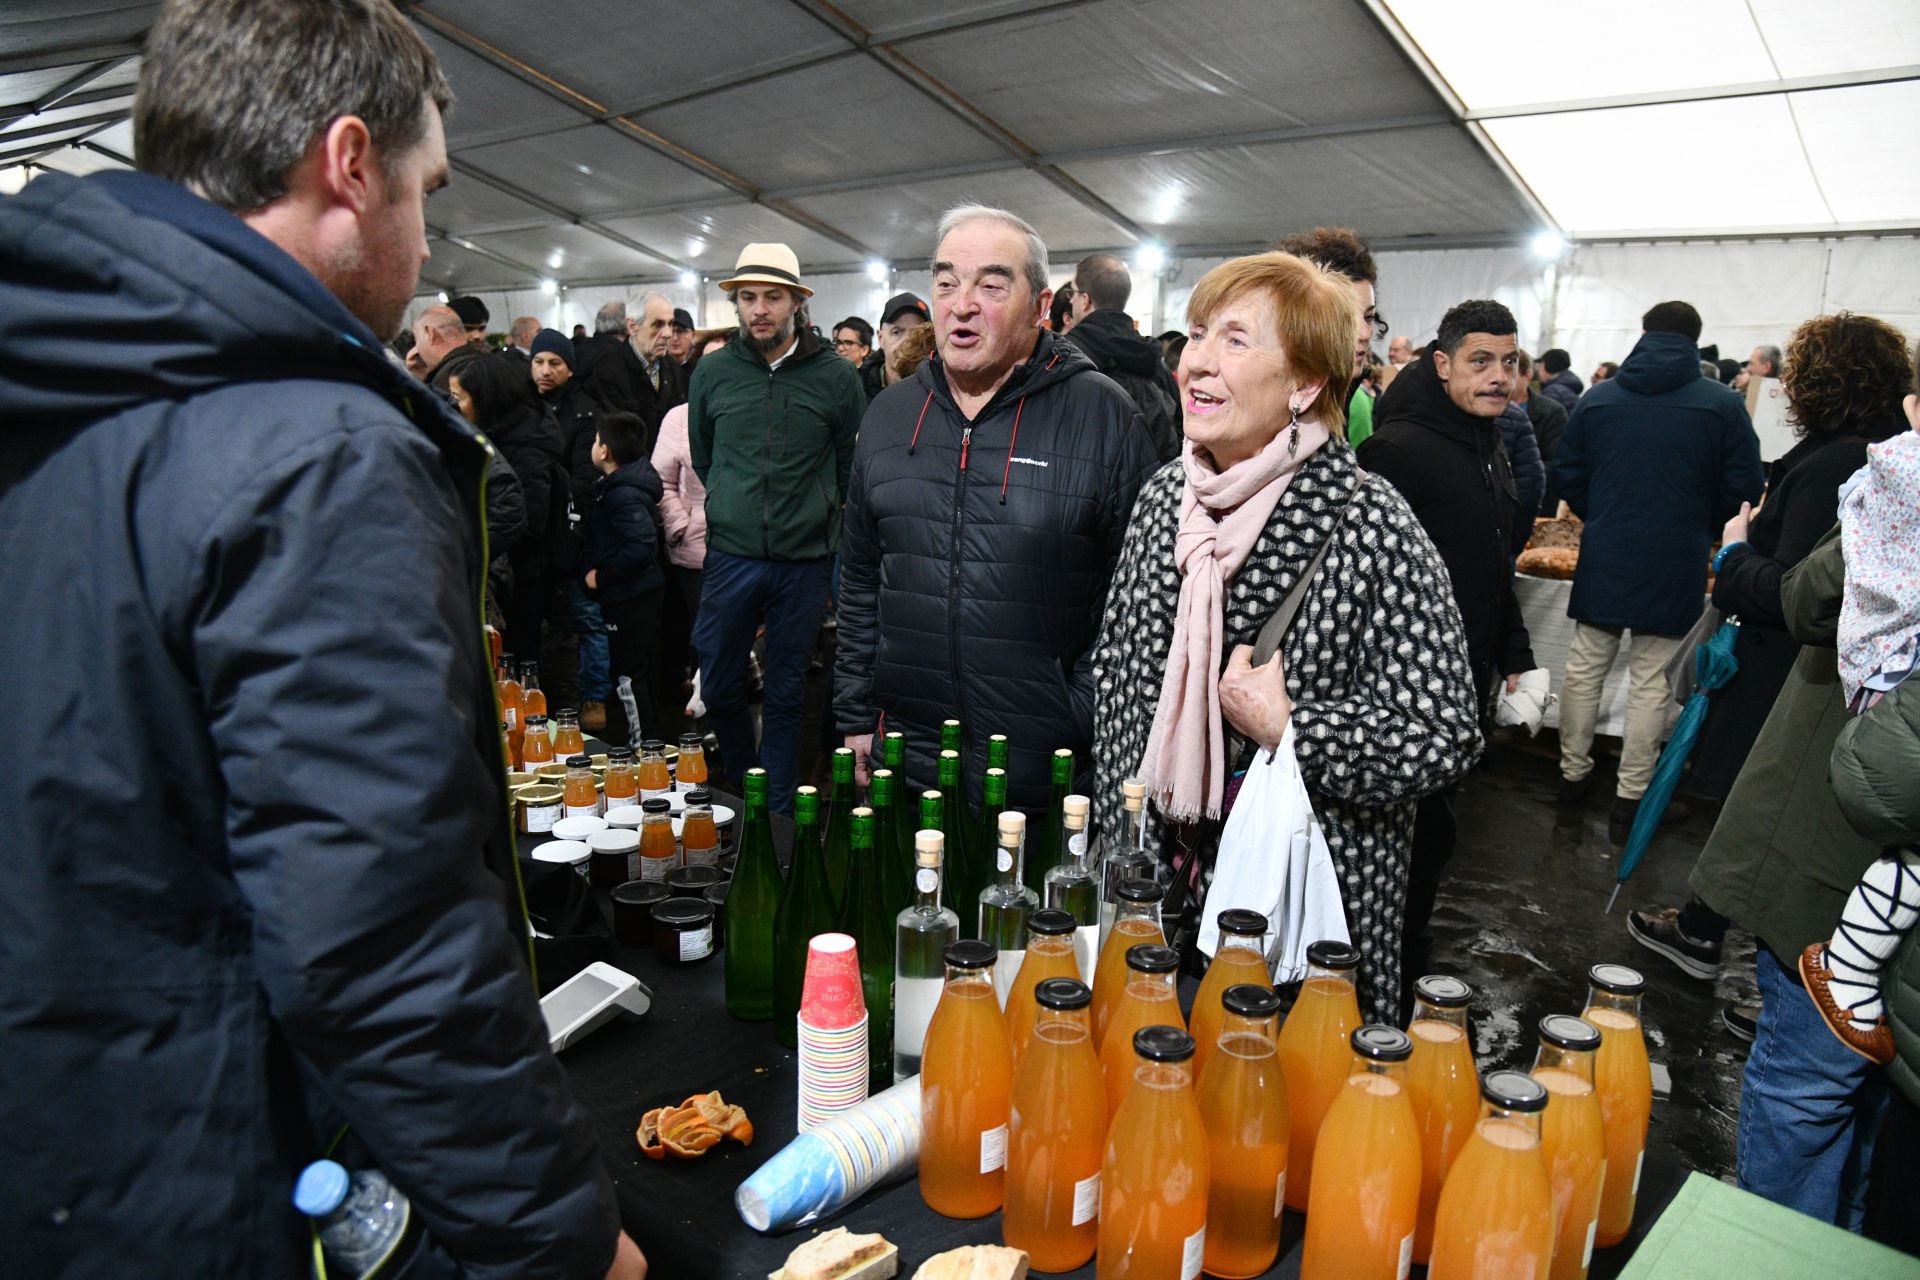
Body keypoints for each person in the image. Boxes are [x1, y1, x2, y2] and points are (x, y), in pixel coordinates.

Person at [0, 0, 643, 1274]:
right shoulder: (314, 450)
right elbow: (379, 932)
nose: (424, 227)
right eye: (425, 186)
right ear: (350, 164)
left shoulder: (66, 368)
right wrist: (557, 1234)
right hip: (230, 1161)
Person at [1089, 251, 1482, 1023]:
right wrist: (1118, 847)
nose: (1197, 360)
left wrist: (1295, 728)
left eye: (1235, 341)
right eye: (1198, 335)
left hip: (1291, 919)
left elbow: (1445, 733)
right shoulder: (1168, 496)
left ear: (1304, 385)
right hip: (1154, 895)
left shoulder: (1370, 524)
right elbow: (1117, 672)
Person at [835, 204, 1159, 813]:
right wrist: (856, 714)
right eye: (947, 282)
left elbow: (1137, 604)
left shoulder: (1102, 417)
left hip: (1044, 773)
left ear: (1040, 306)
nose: (962, 303)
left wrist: (1077, 712)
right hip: (907, 761)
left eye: (991, 284)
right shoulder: (889, 415)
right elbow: (858, 580)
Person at [1629, 314, 1911, 980]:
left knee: (1762, 816)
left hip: (1792, 674)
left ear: (1824, 380)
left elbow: (1792, 592)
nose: (1784, 388)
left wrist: (1733, 552)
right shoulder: (1865, 455)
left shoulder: (1839, 464)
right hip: (1811, 673)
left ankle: (1724, 946)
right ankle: (1717, 934)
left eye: (1795, 376)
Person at [1687, 525, 1890, 1230]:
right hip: (1861, 864)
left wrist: (1738, 557)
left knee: (1808, 1092)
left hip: (1837, 855)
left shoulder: (1901, 487)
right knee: (1872, 1120)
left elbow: (1808, 600)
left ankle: (1779, 1252)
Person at [1361, 301, 1537, 1005]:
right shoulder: (1398, 452)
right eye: (1480, 361)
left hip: (1462, 684)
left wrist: (1515, 652)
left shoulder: (1486, 446)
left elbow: (1492, 564)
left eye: (1509, 362)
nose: (1499, 377)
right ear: (1442, 365)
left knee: (1432, 845)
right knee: (1402, 848)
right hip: (1400, 700)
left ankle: (1401, 970)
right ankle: (1377, 987)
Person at [1552, 300, 1764, 838]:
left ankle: (1571, 779)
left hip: (1607, 548)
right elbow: (1743, 486)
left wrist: (1601, 511)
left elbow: (1567, 470)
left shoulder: (1600, 398)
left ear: (1643, 333)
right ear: (1695, 340)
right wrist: (1699, 521)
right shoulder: (1720, 404)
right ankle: (1630, 799)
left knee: (1584, 668)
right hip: (1676, 555)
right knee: (1651, 680)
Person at [689, 243, 864, 812]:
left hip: (804, 561)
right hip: (731, 557)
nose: (759, 308)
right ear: (737, 304)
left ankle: (778, 814)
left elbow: (847, 463)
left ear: (795, 302)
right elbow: (705, 456)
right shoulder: (712, 371)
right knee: (717, 686)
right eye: (748, 297)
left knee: (788, 693)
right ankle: (745, 780)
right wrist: (732, 507)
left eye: (772, 296)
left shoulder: (836, 377)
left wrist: (817, 516)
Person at [450, 354, 570, 669]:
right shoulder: (496, 433)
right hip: (508, 571)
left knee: (516, 661)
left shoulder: (524, 447)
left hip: (524, 578)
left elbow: (529, 522)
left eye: (459, 399)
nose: (453, 408)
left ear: (485, 400)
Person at [532, 327, 611, 733]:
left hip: (574, 535)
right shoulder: (523, 407)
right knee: (533, 623)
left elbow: (584, 478)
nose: (545, 371)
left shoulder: (585, 412)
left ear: (569, 369)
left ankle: (594, 696)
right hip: (532, 536)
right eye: (539, 362)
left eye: (555, 363)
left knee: (587, 619)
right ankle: (533, 698)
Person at [652, 329, 730, 703]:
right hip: (694, 551)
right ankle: (705, 717)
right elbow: (661, 482)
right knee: (706, 634)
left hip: (748, 548)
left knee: (741, 637)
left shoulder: (753, 416)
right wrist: (680, 525)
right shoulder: (678, 419)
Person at [583, 411, 666, 740]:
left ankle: (642, 747)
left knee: (629, 674)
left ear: (604, 451)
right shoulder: (621, 485)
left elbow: (641, 545)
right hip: (633, 595)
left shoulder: (624, 494)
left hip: (631, 596)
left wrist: (602, 577)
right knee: (637, 670)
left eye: (595, 440)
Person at [1272, 227, 1386, 448]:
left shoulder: (1343, 394)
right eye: (1345, 318)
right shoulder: (1268, 406)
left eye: (1369, 317)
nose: (1363, 334)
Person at [1063, 252, 1182, 461]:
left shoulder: (1065, 357)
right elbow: (1180, 430)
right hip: (1150, 486)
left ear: (1085, 300)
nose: (1070, 300)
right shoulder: (1155, 362)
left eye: (1072, 293)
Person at [1513, 347, 1568, 507]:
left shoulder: (1552, 412)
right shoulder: (1486, 409)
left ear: (1527, 374)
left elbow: (1556, 462)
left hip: (1536, 502)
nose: (1502, 379)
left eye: (1511, 373)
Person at [861, 291, 929, 401]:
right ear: (881, 338)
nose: (907, 342)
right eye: (897, 332)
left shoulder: (941, 391)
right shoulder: (859, 390)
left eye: (917, 333)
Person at [413, 301, 486, 390]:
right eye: (468, 329)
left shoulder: (452, 377)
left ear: (430, 333)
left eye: (482, 329)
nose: (477, 336)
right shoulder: (493, 365)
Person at [1536, 347, 1585, 411]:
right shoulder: (1566, 386)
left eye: (1540, 366)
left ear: (1549, 366)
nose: (1538, 370)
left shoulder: (1552, 392)